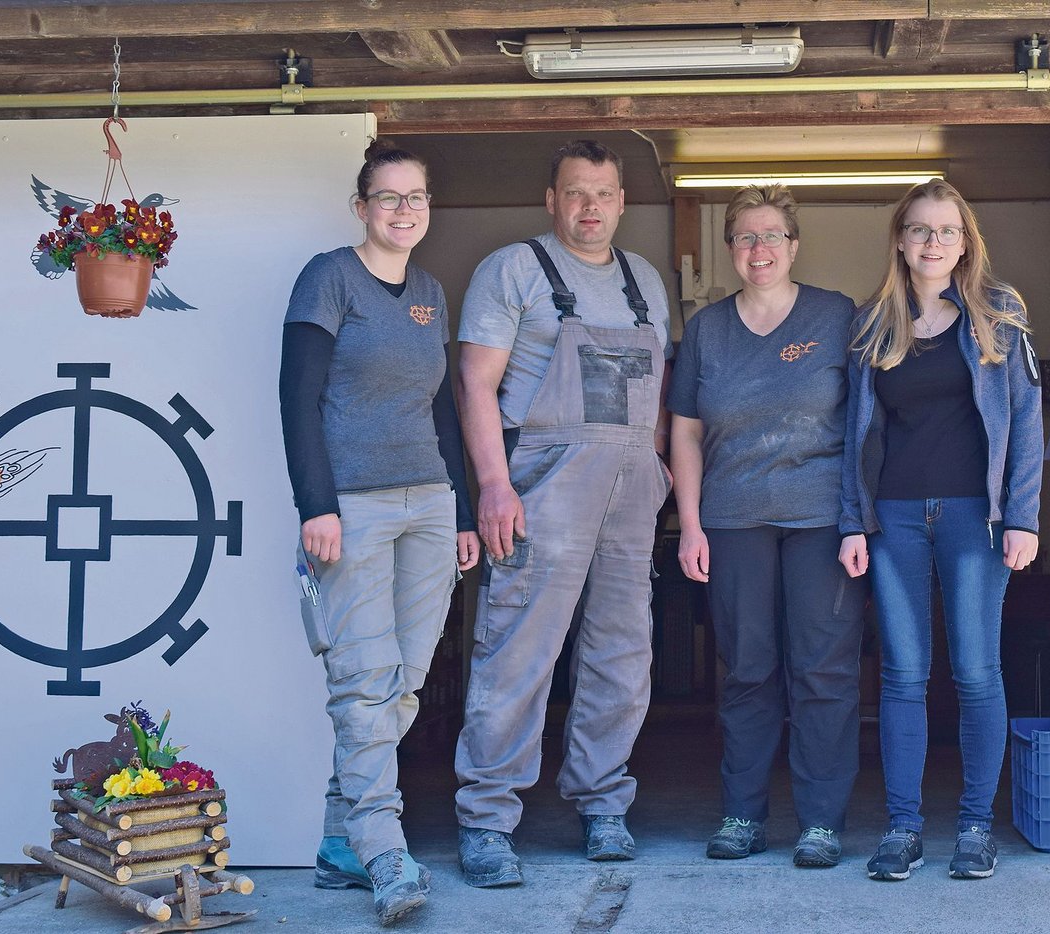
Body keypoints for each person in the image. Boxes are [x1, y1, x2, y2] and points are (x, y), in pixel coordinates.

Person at [452, 140, 672, 887]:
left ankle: (604, 801)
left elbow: (660, 396)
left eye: (603, 194)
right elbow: (474, 384)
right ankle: (486, 817)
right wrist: (492, 485)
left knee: (622, 652)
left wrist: (660, 473)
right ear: (552, 200)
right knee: (519, 649)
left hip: (632, 483)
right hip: (542, 478)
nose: (589, 207)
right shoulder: (514, 269)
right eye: (575, 193)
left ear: (621, 203)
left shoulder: (645, 281)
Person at [279, 142, 481, 925]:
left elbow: (441, 410)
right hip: (353, 506)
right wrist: (315, 505)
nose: (403, 210)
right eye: (388, 197)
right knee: (363, 679)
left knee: (400, 682)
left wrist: (461, 508)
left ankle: (339, 841)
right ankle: (386, 854)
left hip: (429, 502)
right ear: (360, 206)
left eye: (416, 197)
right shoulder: (328, 277)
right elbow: (298, 397)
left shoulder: (430, 290)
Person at [838, 179, 1043, 882]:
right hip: (893, 517)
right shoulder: (872, 324)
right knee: (902, 675)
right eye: (920, 230)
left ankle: (976, 828)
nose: (933, 242)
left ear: (965, 242)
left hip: (974, 520)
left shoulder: (998, 313)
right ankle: (902, 829)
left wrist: (1023, 516)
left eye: (947, 230)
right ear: (900, 239)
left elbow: (1025, 424)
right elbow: (853, 438)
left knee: (977, 673)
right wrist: (852, 523)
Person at [668, 185, 867, 868]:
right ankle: (742, 816)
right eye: (746, 237)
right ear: (729, 249)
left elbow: (868, 424)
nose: (760, 249)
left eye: (772, 236)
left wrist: (857, 521)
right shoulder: (707, 330)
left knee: (824, 671)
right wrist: (689, 526)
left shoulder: (836, 316)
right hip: (731, 520)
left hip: (821, 521)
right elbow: (685, 433)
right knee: (747, 671)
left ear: (794, 245)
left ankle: (820, 822)